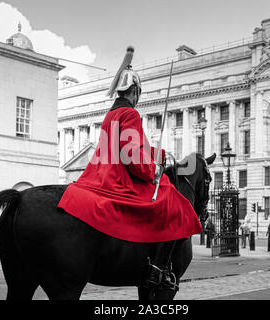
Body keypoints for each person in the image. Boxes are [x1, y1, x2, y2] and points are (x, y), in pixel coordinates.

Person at [57, 47, 202, 290]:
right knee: (171, 201)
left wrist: (161, 155)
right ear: (134, 92)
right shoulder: (131, 114)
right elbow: (132, 157)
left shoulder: (111, 115)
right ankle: (159, 269)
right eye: (138, 94)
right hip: (120, 179)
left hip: (100, 174)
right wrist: (153, 171)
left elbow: (124, 148)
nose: (138, 98)